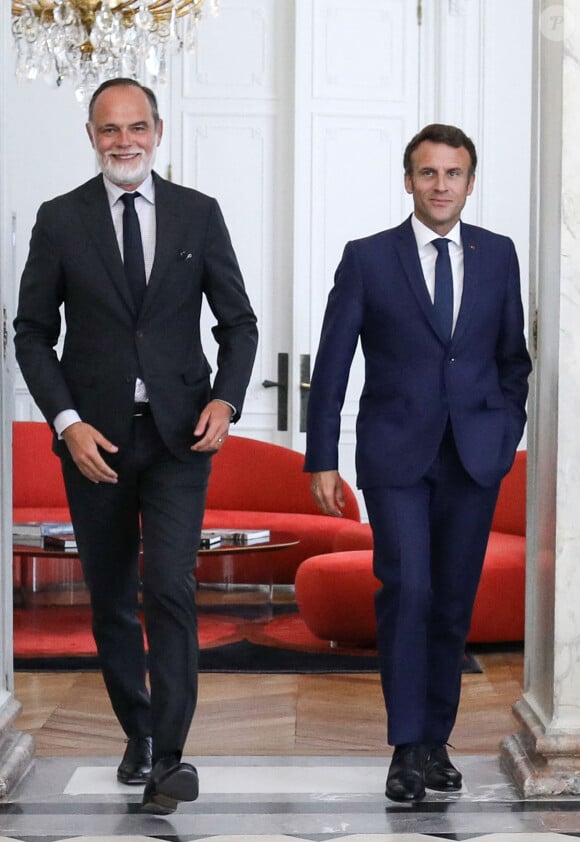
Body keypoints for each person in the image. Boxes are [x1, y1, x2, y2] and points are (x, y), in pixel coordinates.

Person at [14, 78, 258, 815]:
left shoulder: (198, 214)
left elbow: (237, 323)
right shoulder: (60, 220)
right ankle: (140, 732)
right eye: (109, 130)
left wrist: (226, 396)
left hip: (182, 437)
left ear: (159, 130)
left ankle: (172, 758)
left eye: (137, 127)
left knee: (171, 587)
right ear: (91, 136)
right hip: (95, 444)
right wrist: (66, 421)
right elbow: (30, 333)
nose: (125, 142)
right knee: (114, 596)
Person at [304, 123, 531, 802]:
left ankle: (436, 743)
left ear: (469, 181)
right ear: (408, 180)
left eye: (453, 173)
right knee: (408, 590)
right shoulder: (369, 258)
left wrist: (505, 422)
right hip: (395, 456)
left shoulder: (499, 255)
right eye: (428, 173)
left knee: (453, 602)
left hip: (475, 456)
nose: (440, 185)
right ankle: (405, 747)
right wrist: (321, 457)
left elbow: (511, 358)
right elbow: (334, 363)